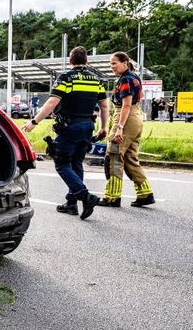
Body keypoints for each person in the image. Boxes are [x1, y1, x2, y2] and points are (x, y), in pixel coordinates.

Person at [23, 46, 108, 220]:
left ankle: (85, 196)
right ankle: (71, 203)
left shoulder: (66, 78)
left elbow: (52, 102)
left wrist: (34, 122)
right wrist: (103, 127)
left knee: (61, 163)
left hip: (70, 127)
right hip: (87, 127)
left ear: (70, 61)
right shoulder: (95, 80)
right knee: (77, 164)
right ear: (87, 61)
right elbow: (104, 105)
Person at [97, 51, 155, 208]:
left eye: (114, 63)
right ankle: (145, 194)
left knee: (114, 155)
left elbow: (126, 105)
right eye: (111, 64)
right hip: (136, 117)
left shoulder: (125, 79)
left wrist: (119, 127)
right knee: (130, 157)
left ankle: (112, 197)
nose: (112, 67)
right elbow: (140, 95)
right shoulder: (135, 77)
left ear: (125, 62)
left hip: (125, 117)